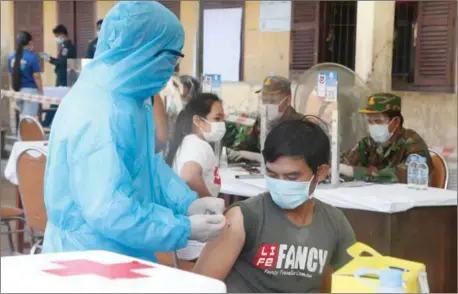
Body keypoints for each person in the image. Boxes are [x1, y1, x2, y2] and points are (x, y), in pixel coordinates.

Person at [42, 1, 226, 262]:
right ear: (146, 53)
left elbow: (144, 167)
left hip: (119, 250)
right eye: (172, 59)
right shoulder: (100, 111)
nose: (172, 69)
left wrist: (186, 203)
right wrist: (182, 228)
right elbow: (109, 209)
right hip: (88, 258)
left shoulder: (131, 99)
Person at [194, 118, 356, 292]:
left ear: (321, 173)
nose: (281, 183)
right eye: (272, 174)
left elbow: (349, 282)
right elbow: (199, 287)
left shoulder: (334, 223)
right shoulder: (243, 218)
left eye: (292, 177)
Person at [166, 93, 226, 262]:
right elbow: (190, 176)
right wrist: (213, 207)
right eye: (217, 118)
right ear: (198, 121)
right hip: (199, 236)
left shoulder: (190, 142)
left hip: (192, 234)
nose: (222, 124)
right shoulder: (196, 144)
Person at [340, 93, 433, 184]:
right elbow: (345, 161)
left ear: (396, 122)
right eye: (370, 122)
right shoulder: (369, 142)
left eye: (378, 121)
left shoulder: (412, 143)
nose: (373, 126)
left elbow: (400, 176)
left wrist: (354, 172)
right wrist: (335, 168)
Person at [227, 75, 303, 163]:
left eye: (273, 101)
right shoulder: (261, 121)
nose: (268, 105)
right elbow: (247, 145)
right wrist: (236, 153)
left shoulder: (301, 124)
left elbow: (296, 159)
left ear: (288, 99)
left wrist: (258, 157)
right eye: (265, 100)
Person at [40, 24, 76, 127]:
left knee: (55, 101)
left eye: (56, 36)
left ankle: (47, 122)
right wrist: (49, 58)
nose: (56, 38)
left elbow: (61, 62)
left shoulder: (67, 47)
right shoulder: (64, 47)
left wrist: (49, 59)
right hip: (63, 76)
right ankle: (50, 122)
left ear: (62, 35)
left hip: (64, 78)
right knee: (57, 101)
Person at [8, 31, 43, 118]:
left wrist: (12, 89)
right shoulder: (32, 57)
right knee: (28, 120)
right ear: (30, 42)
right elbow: (36, 76)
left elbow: (10, 74)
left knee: (22, 118)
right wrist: (40, 90)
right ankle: (23, 132)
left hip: (17, 91)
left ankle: (20, 132)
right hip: (30, 91)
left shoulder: (11, 56)